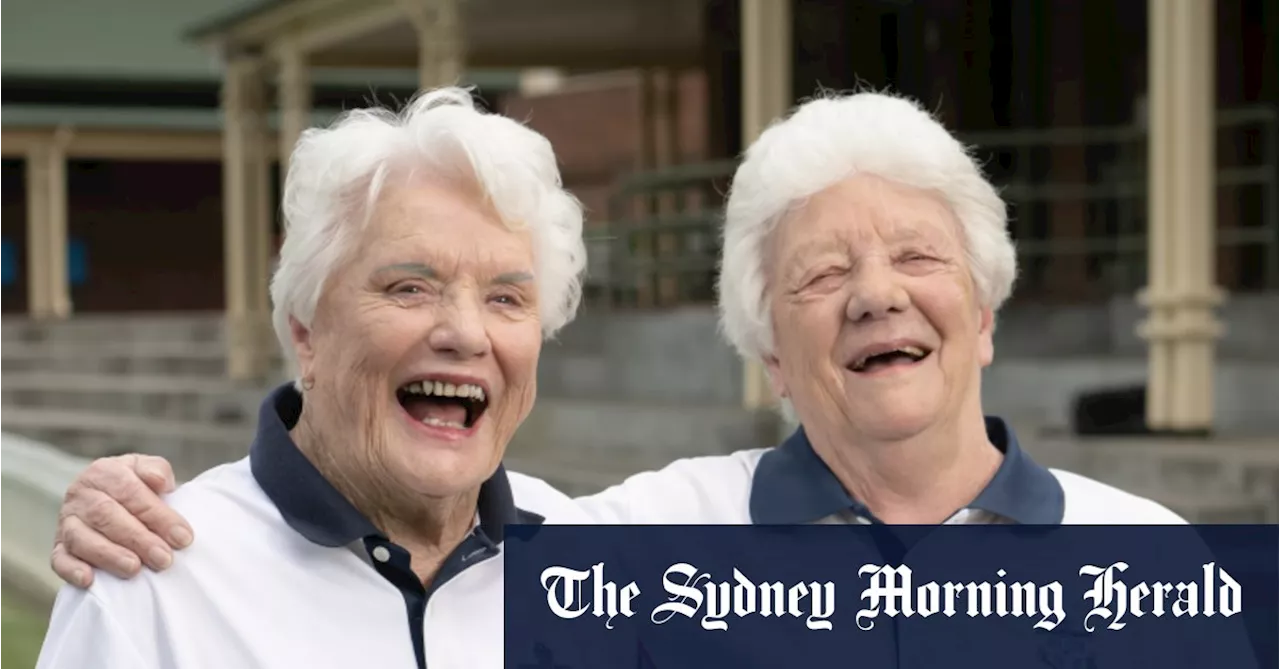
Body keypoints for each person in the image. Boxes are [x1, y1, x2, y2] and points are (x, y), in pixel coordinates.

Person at [48, 90, 1185, 592]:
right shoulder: (629, 544)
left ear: (984, 316)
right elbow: (411, 503)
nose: (875, 297)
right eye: (821, 276)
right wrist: (125, 504)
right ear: (769, 357)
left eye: (918, 260)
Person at [35, 87, 592, 669]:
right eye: (409, 288)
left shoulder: (591, 563)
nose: (467, 334)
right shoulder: (150, 581)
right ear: (306, 334)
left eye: (506, 298)